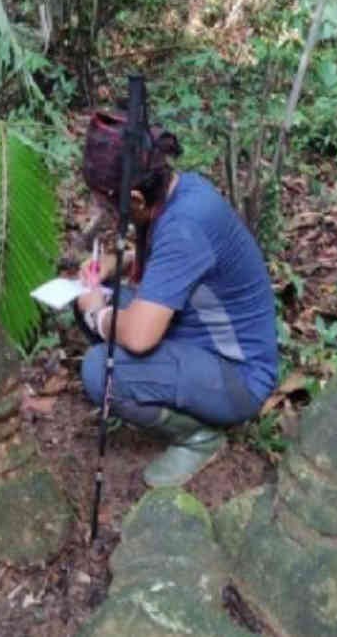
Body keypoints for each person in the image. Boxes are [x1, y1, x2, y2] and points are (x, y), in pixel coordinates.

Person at [75, 110, 278, 487]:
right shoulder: (178, 193)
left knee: (99, 370)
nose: (100, 212)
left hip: (239, 375)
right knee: (97, 302)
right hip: (198, 336)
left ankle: (198, 436)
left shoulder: (185, 225)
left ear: (134, 198)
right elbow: (171, 262)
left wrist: (96, 314)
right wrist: (114, 266)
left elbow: (138, 336)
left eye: (105, 203)